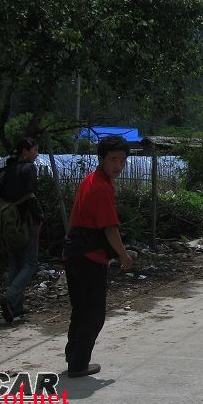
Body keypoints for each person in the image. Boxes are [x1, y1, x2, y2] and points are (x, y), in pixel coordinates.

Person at [63, 135, 134, 378]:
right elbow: (110, 228)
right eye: (113, 159)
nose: (118, 165)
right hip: (88, 256)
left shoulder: (90, 180)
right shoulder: (101, 187)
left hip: (74, 252)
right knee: (93, 314)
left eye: (122, 160)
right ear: (101, 159)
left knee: (81, 310)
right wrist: (124, 256)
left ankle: (74, 359)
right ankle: (78, 364)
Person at [0, 138, 44, 324]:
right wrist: (39, 217)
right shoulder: (29, 169)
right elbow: (30, 195)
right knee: (31, 262)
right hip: (25, 219)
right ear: (25, 151)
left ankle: (15, 307)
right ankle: (9, 297)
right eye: (35, 150)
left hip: (7, 220)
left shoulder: (6, 171)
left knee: (15, 262)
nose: (37, 154)